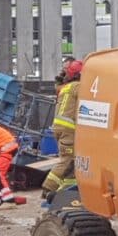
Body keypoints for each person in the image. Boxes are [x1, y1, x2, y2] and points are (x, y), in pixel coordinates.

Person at [42, 60, 82, 198]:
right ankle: (48, 188)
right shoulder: (78, 87)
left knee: (72, 162)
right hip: (68, 129)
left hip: (60, 128)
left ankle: (66, 192)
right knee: (66, 160)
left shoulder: (65, 87)